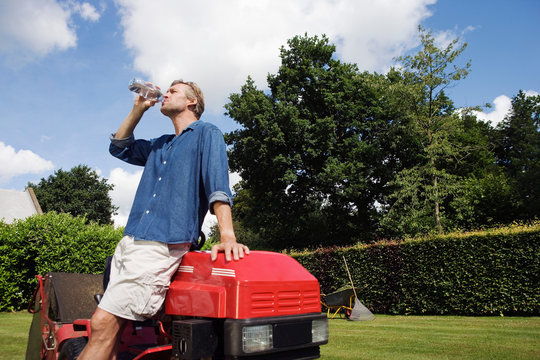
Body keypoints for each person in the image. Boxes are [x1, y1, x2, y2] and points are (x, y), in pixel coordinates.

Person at [78, 80, 249, 359]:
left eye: (173, 91)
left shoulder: (207, 133)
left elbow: (218, 186)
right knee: (111, 334)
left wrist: (227, 234)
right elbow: (119, 147)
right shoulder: (160, 145)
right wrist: (139, 109)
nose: (164, 94)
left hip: (160, 244)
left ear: (192, 102)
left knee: (102, 324)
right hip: (131, 240)